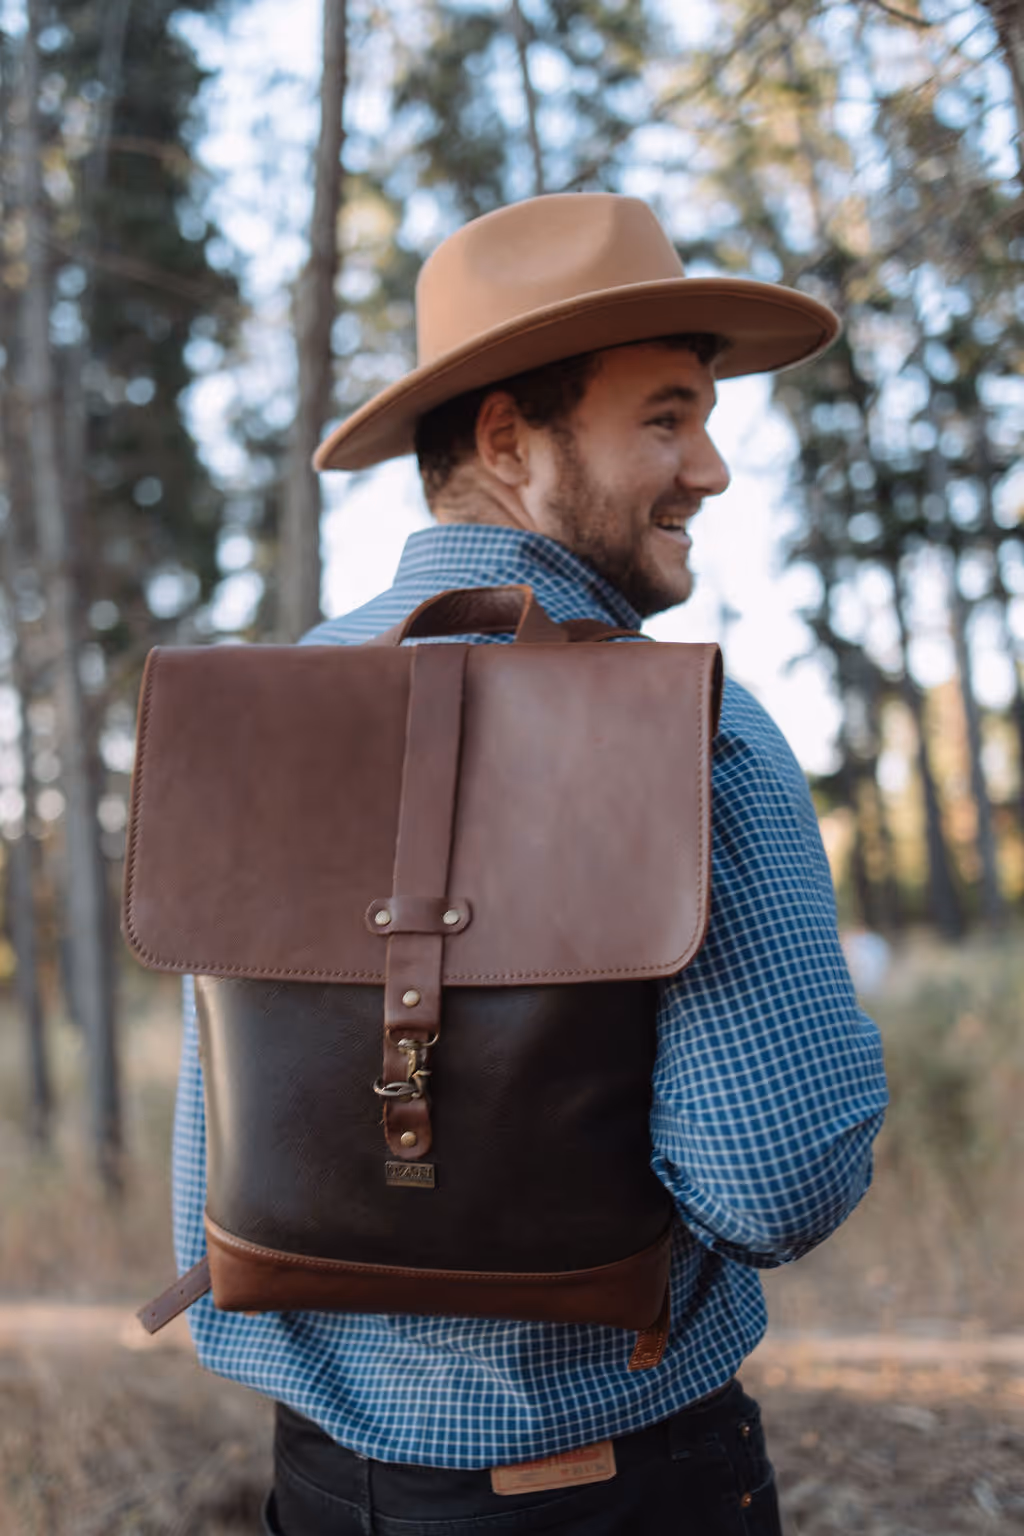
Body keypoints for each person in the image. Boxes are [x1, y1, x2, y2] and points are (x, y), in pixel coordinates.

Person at [170, 193, 888, 1534]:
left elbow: (221, 1184)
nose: (713, 469)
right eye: (667, 418)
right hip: (618, 1495)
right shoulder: (696, 729)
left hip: (320, 1490)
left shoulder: (263, 717)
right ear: (509, 437)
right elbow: (777, 1178)